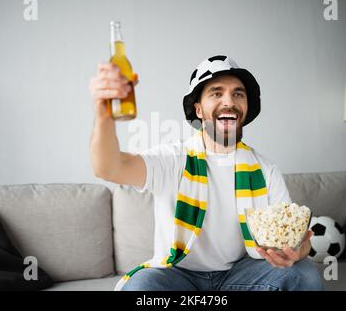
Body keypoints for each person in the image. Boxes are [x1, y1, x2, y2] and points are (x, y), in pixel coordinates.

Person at [89, 55, 324, 291]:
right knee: (140, 288)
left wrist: (297, 252)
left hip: (241, 274)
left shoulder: (266, 170)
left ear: (246, 107)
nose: (229, 102)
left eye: (238, 94)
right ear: (199, 110)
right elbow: (109, 167)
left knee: (305, 275)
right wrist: (103, 115)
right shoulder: (173, 159)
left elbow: (292, 242)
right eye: (216, 93)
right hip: (177, 276)